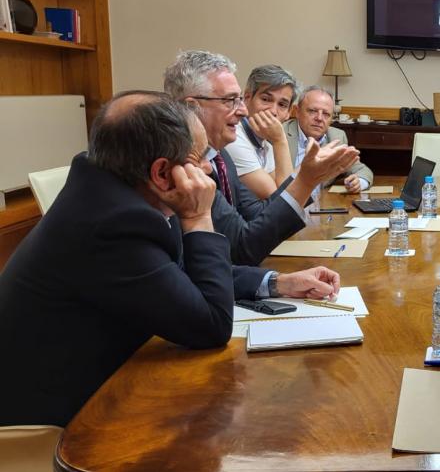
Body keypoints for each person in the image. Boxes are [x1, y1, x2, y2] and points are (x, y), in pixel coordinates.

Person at [0, 91, 342, 427]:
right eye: (199, 157)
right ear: (162, 173)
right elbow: (210, 325)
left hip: (100, 379)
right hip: (60, 424)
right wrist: (198, 218)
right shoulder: (114, 224)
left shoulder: (113, 184)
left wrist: (276, 282)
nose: (209, 169)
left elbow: (176, 273)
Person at [164, 50, 360, 266]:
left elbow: (257, 213)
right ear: (192, 107)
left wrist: (273, 282)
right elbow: (241, 247)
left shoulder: (221, 157)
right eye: (230, 100)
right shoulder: (183, 161)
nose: (241, 111)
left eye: (238, 100)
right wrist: (306, 178)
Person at [225, 64, 298, 199]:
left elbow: (285, 190)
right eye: (265, 99)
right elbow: (283, 199)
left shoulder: (266, 144)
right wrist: (280, 140)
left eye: (282, 105)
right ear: (247, 98)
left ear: (289, 113)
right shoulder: (234, 136)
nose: (272, 111)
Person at [284, 86, 374, 193]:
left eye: (326, 114)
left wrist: (359, 182)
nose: (319, 118)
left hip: (319, 204)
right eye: (312, 111)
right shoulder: (281, 134)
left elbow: (361, 169)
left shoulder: (337, 137)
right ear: (297, 112)